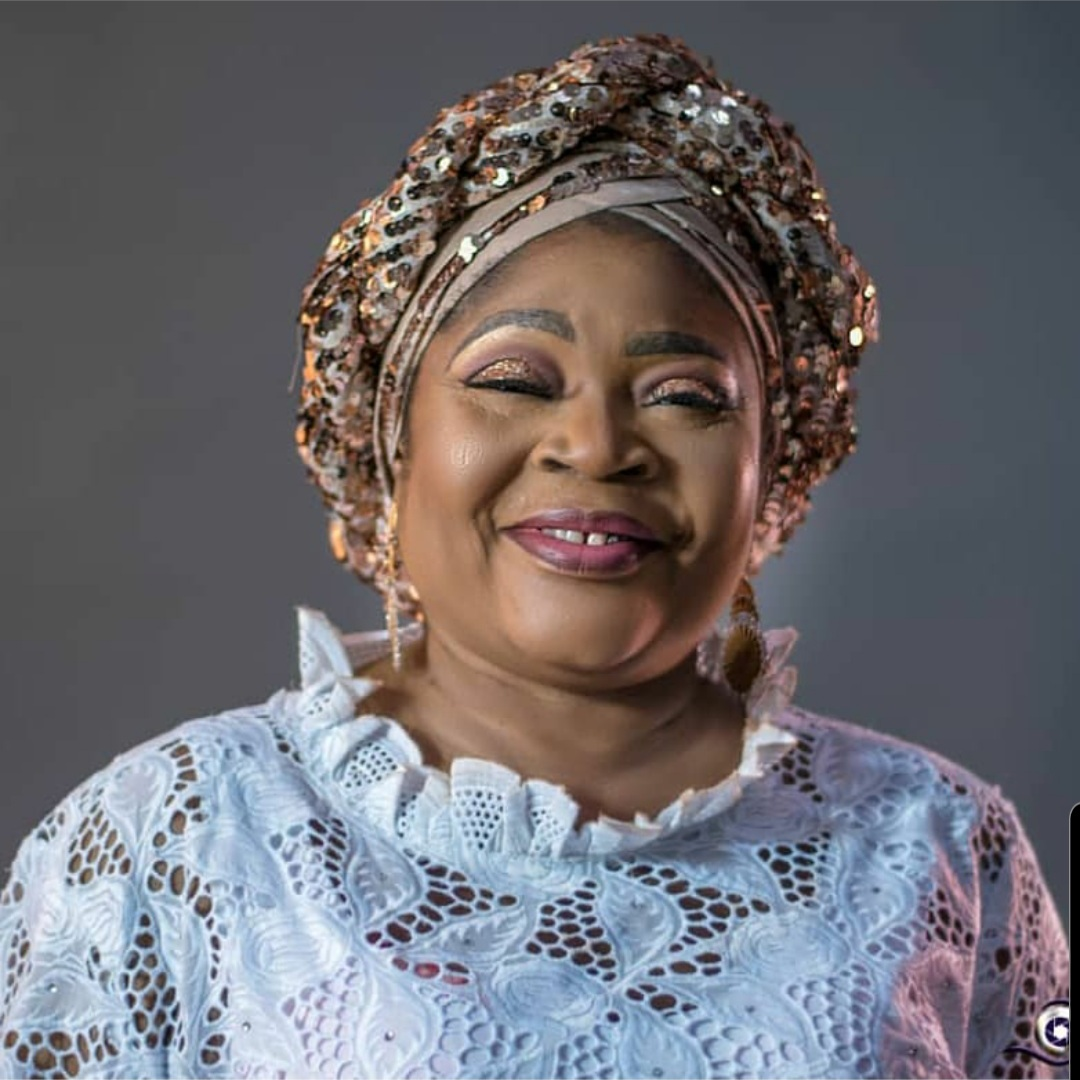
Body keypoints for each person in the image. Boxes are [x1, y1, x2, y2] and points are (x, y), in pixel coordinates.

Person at [0, 33, 1066, 1080]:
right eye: (514, 380)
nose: (597, 447)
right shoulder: (173, 836)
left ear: (773, 475)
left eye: (685, 397)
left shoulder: (938, 842)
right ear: (387, 442)